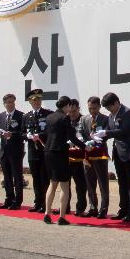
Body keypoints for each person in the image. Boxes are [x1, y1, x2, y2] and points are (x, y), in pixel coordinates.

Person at [42, 96, 81, 224]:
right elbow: (72, 137)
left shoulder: (49, 117)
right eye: (70, 106)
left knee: (52, 183)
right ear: (67, 105)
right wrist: (84, 146)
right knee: (64, 185)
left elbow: (48, 134)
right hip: (60, 153)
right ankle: (62, 216)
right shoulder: (65, 117)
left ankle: (47, 213)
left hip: (48, 152)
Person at [101, 92, 130, 221]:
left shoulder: (127, 112)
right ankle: (123, 209)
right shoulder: (111, 115)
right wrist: (97, 137)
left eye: (110, 107)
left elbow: (124, 131)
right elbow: (107, 131)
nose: (109, 110)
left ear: (116, 103)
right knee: (122, 182)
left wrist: (106, 132)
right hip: (117, 152)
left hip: (129, 153)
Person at [79, 96, 110, 218]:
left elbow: (107, 134)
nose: (92, 111)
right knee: (89, 182)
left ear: (99, 107)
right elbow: (80, 132)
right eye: (90, 108)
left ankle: (103, 209)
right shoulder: (84, 118)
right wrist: (83, 140)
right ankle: (92, 207)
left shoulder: (105, 119)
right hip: (87, 154)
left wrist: (98, 140)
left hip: (100, 154)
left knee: (103, 182)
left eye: (94, 108)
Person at [23, 91, 53, 213]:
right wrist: (28, 136)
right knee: (35, 177)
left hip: (43, 150)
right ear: (30, 101)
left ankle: (45, 204)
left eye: (38, 100)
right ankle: (37, 202)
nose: (36, 102)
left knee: (44, 177)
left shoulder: (47, 114)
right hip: (32, 151)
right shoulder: (27, 116)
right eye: (34, 100)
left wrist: (39, 135)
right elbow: (22, 133)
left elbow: (50, 131)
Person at [0, 93, 26, 209]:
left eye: (12, 102)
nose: (10, 104)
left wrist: (12, 134)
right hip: (4, 150)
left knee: (17, 176)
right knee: (7, 176)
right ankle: (9, 198)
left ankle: (18, 201)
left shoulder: (20, 115)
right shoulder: (1, 116)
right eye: (8, 102)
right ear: (4, 104)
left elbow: (23, 132)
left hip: (16, 150)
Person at [68, 104, 90, 216]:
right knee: (65, 185)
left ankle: (80, 208)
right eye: (69, 111)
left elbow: (89, 137)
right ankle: (65, 206)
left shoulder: (83, 120)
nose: (71, 114)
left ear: (78, 109)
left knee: (81, 185)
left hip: (80, 158)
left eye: (74, 111)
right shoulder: (65, 120)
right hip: (67, 157)